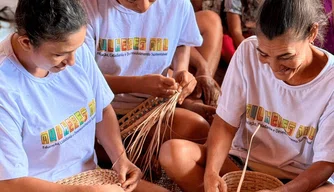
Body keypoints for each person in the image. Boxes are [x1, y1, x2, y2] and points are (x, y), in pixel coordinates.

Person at [159, 0, 334, 191]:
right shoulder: (247, 52)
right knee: (173, 153)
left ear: (312, 33)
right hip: (241, 164)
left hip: (299, 177)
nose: (275, 69)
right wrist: (212, 172)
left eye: (286, 57)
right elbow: (225, 124)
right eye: (264, 55)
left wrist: (283, 191)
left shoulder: (330, 81)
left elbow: (326, 163)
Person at [0, 0, 171, 191]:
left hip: (88, 175)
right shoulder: (5, 89)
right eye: (60, 54)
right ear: (26, 42)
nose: (73, 61)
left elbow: (103, 109)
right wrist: (82, 191)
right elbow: (8, 183)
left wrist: (120, 159)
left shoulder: (74, 50)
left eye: (76, 49)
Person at [82, 0, 210, 148]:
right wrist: (138, 84)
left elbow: (182, 43)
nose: (144, 7)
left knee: (198, 130)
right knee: (85, 145)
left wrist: (181, 69)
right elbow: (85, 80)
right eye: (131, 0)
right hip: (103, 111)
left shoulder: (178, 3)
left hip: (154, 106)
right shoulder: (87, 7)